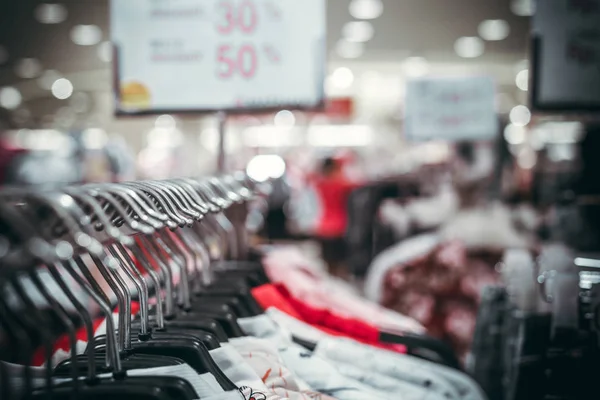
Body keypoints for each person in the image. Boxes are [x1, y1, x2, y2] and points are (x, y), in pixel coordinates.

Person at [311, 155, 363, 275]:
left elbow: (310, 176)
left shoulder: (320, 183)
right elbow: (360, 183)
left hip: (322, 227)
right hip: (339, 228)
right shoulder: (341, 184)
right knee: (342, 265)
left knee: (329, 265)